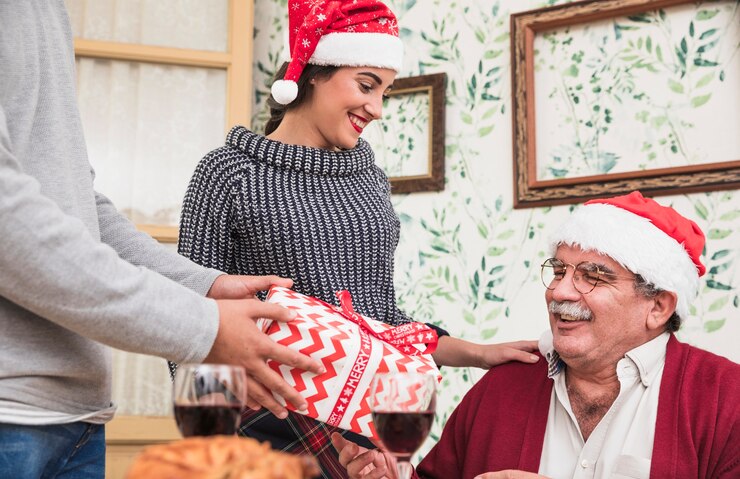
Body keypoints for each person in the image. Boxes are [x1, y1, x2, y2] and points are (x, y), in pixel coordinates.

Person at [176, 0, 538, 476]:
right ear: (311, 73)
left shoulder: (369, 179)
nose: (377, 108)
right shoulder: (229, 173)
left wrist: (475, 353)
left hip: (361, 427)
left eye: (385, 92)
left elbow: (383, 322)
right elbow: (188, 315)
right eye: (367, 85)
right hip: (264, 422)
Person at [0, 2, 324, 477]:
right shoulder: (229, 172)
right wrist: (204, 326)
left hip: (78, 418)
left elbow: (76, 205)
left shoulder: (45, 10)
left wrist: (203, 285)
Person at [333, 191, 740, 479]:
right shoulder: (503, 386)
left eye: (592, 276)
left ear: (658, 307)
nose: (560, 292)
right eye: (559, 271)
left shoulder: (726, 398)